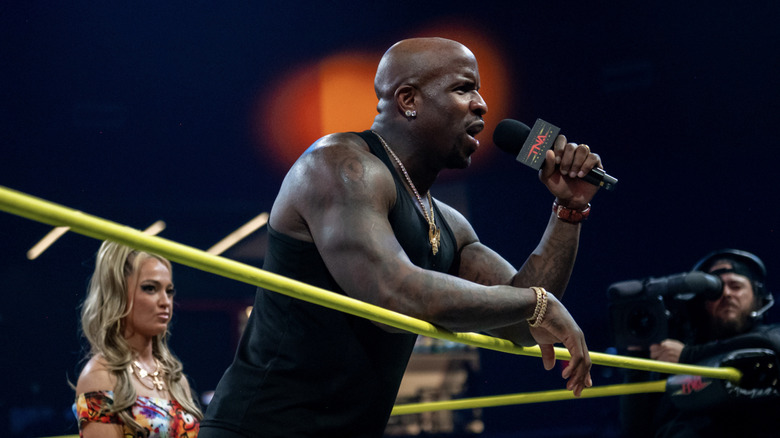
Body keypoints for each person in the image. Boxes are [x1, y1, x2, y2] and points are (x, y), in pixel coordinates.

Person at [200, 37, 603, 437]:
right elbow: (394, 294)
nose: (481, 104)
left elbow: (520, 322)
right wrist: (534, 304)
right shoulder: (339, 168)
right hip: (259, 428)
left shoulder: (448, 223)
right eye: (463, 88)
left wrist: (569, 211)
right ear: (409, 100)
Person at [620, 249, 780, 437]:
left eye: (736, 286)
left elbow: (770, 342)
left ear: (758, 297)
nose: (726, 294)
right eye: (716, 290)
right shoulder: (676, 362)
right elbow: (635, 431)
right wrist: (636, 364)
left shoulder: (770, 339)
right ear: (702, 304)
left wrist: (687, 355)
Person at [74, 240, 202, 437]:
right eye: (150, 288)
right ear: (118, 294)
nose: (165, 302)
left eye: (169, 291)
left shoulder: (176, 379)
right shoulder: (99, 376)